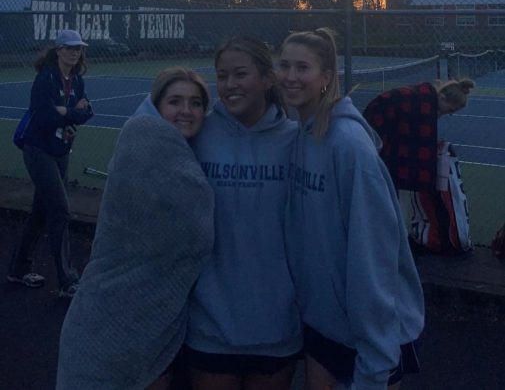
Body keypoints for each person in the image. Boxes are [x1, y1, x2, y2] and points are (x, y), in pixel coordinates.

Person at [278, 28, 424, 390]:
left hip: (368, 337)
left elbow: (373, 257)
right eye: (284, 66)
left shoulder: (350, 147)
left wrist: (376, 360)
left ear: (325, 78)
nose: (290, 77)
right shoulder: (302, 135)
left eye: (302, 68)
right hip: (324, 324)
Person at [56, 66, 214, 390]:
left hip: (162, 328)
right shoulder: (141, 137)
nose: (186, 110)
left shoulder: (189, 155)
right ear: (157, 107)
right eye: (175, 101)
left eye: (196, 103)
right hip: (107, 320)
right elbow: (194, 225)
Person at [184, 36, 302, 390]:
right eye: (222, 77)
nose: (230, 85)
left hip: (277, 325)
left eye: (240, 74)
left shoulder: (297, 140)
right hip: (209, 325)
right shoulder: (196, 134)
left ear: (268, 79)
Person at [8, 29, 93, 298]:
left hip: (60, 150)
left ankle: (18, 270)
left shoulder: (77, 80)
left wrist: (65, 112)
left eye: (78, 48)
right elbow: (43, 117)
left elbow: (87, 112)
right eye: (69, 48)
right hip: (38, 150)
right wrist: (72, 113)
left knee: (41, 212)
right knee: (60, 210)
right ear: (58, 50)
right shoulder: (44, 80)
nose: (74, 52)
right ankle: (68, 281)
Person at [363, 78, 474, 193]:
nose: (449, 113)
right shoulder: (422, 105)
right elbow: (418, 140)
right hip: (377, 123)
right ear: (442, 98)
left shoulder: (426, 101)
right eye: (450, 109)